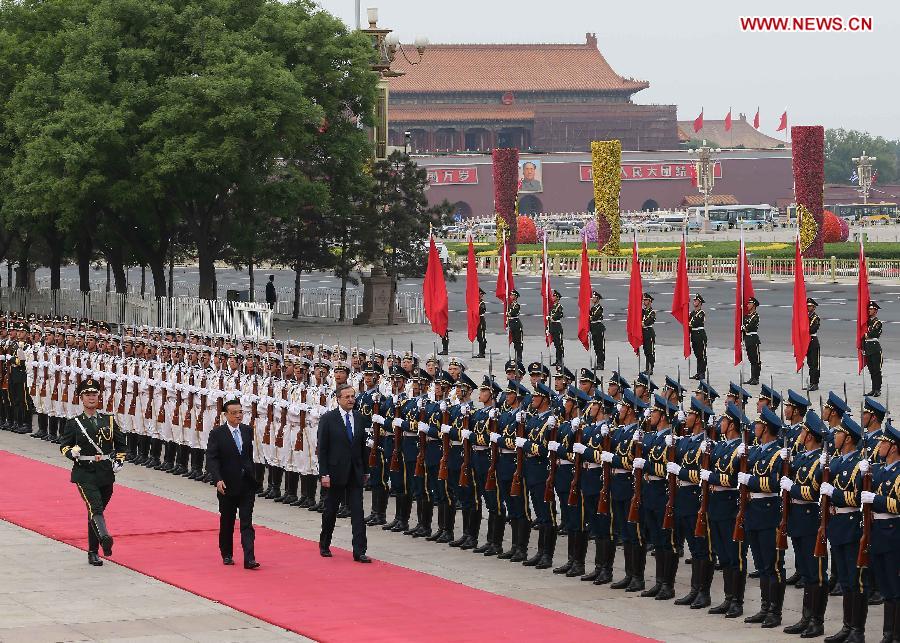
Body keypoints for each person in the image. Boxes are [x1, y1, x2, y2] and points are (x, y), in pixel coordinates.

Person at [59, 377, 127, 567]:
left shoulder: (109, 420)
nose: (91, 398)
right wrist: (71, 453)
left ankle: (94, 549)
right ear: (81, 398)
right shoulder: (75, 423)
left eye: (94, 394)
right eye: (88, 395)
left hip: (105, 472)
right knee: (95, 508)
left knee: (95, 512)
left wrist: (119, 460)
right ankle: (103, 540)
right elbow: (64, 446)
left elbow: (121, 445)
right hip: (84, 472)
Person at [317, 383, 370, 562]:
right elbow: (322, 448)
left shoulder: (359, 417)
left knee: (358, 512)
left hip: (355, 471)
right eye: (347, 397)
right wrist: (324, 473)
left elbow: (362, 446)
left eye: (353, 396)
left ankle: (359, 550)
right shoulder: (328, 419)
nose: (351, 400)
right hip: (335, 472)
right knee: (330, 510)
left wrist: (366, 470)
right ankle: (324, 544)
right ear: (338, 399)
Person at [206, 398, 260, 569]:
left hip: (246, 485)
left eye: (240, 412)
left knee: (246, 522)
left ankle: (249, 558)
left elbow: (248, 455)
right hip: (227, 485)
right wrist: (218, 479)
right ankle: (227, 553)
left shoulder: (246, 430)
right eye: (234, 413)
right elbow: (212, 459)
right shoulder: (217, 433)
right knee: (227, 522)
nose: (238, 416)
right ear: (225, 415)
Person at [862, 300, 883, 397]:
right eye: (869, 309)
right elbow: (864, 336)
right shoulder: (867, 322)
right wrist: (863, 347)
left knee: (876, 370)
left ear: (876, 311)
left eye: (871, 309)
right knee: (871, 370)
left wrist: (866, 335)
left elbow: (874, 334)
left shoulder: (877, 322)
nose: (869, 311)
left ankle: (877, 389)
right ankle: (873, 389)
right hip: (868, 348)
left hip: (875, 348)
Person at [743, 297, 762, 385]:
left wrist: (744, 327)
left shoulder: (756, 316)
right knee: (751, 359)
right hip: (748, 339)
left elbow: (749, 327)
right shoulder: (747, 316)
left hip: (753, 339)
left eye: (749, 304)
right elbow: (744, 326)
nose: (747, 305)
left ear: (754, 305)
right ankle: (752, 377)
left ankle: (756, 378)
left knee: (756, 360)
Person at [689, 294, 708, 380]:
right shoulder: (692, 313)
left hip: (700, 335)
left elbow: (694, 323)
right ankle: (698, 372)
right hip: (694, 335)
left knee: (702, 355)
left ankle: (702, 373)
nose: (694, 302)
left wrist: (689, 324)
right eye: (694, 300)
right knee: (697, 355)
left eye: (696, 301)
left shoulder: (701, 313)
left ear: (700, 302)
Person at [806, 298, 821, 391]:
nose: (808, 307)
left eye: (810, 306)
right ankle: (811, 383)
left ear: (814, 307)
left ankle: (815, 383)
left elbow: (813, 329)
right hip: (807, 341)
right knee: (810, 363)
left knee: (815, 364)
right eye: (807, 306)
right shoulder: (805, 316)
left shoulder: (816, 318)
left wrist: (804, 329)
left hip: (813, 341)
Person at [589, 290, 606, 370]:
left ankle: (601, 364)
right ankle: (598, 363)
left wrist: (588, 317)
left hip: (598, 328)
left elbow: (594, 318)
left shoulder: (599, 308)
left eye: (594, 297)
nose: (592, 299)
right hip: (593, 329)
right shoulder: (592, 308)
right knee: (596, 347)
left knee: (600, 347)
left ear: (597, 299)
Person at [548, 289, 564, 366]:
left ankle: (560, 360)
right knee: (555, 344)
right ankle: (557, 360)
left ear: (557, 297)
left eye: (554, 296)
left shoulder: (559, 306)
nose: (552, 297)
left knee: (559, 345)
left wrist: (552, 318)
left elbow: (559, 314)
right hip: (552, 326)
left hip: (557, 326)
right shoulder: (552, 306)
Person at [642, 294, 656, 375]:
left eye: (646, 300)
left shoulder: (652, 312)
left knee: (650, 352)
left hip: (649, 333)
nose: (644, 301)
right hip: (643, 333)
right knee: (646, 351)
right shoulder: (643, 311)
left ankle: (650, 368)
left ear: (650, 301)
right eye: (644, 300)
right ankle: (647, 368)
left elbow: (647, 323)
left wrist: (642, 323)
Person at [508, 290, 524, 364]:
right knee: (515, 342)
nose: (511, 296)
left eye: (512, 295)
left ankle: (519, 357)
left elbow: (513, 313)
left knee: (518, 342)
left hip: (516, 324)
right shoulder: (511, 304)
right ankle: (516, 356)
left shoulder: (516, 305)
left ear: (515, 297)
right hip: (512, 324)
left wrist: (508, 313)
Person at [475, 289, 487, 358]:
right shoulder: (476, 302)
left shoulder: (481, 303)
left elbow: (481, 311)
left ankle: (482, 353)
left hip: (481, 321)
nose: (481, 295)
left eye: (481, 294)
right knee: (479, 337)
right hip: (477, 320)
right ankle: (481, 352)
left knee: (481, 337)